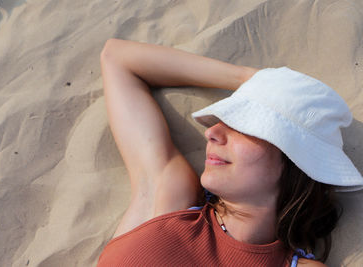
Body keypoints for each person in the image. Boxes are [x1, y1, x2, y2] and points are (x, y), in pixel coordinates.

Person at [97, 38, 363, 266]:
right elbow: (117, 58)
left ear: (296, 160)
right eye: (222, 120)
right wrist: (253, 81)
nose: (211, 133)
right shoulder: (169, 200)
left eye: (243, 126)